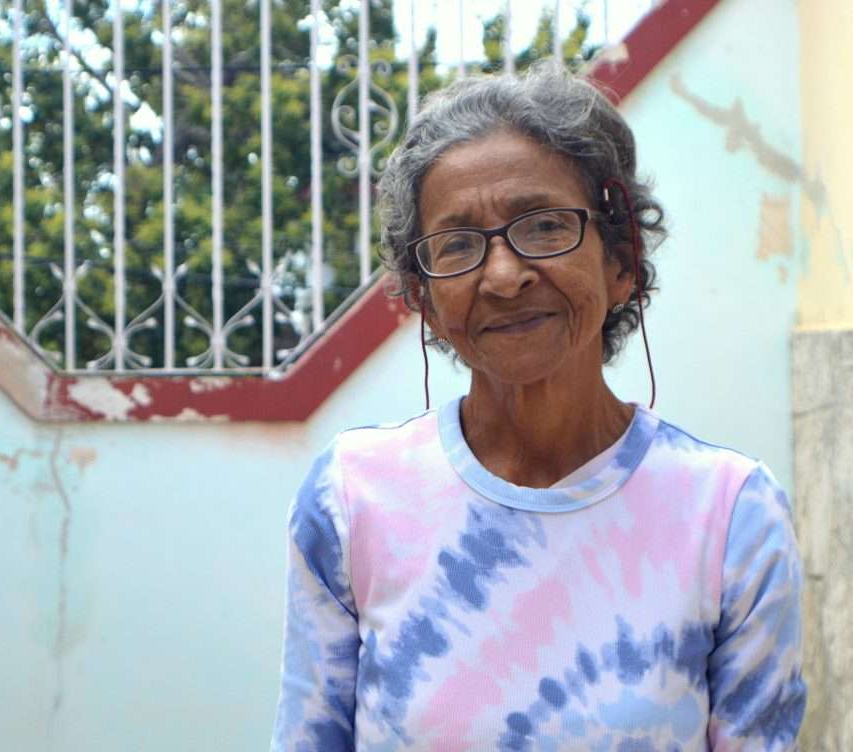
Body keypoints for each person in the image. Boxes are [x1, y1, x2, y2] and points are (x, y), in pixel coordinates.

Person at [270, 63, 805, 751]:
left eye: (545, 225)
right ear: (425, 301)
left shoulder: (732, 515)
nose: (502, 275)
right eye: (457, 245)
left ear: (621, 265)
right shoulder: (352, 500)